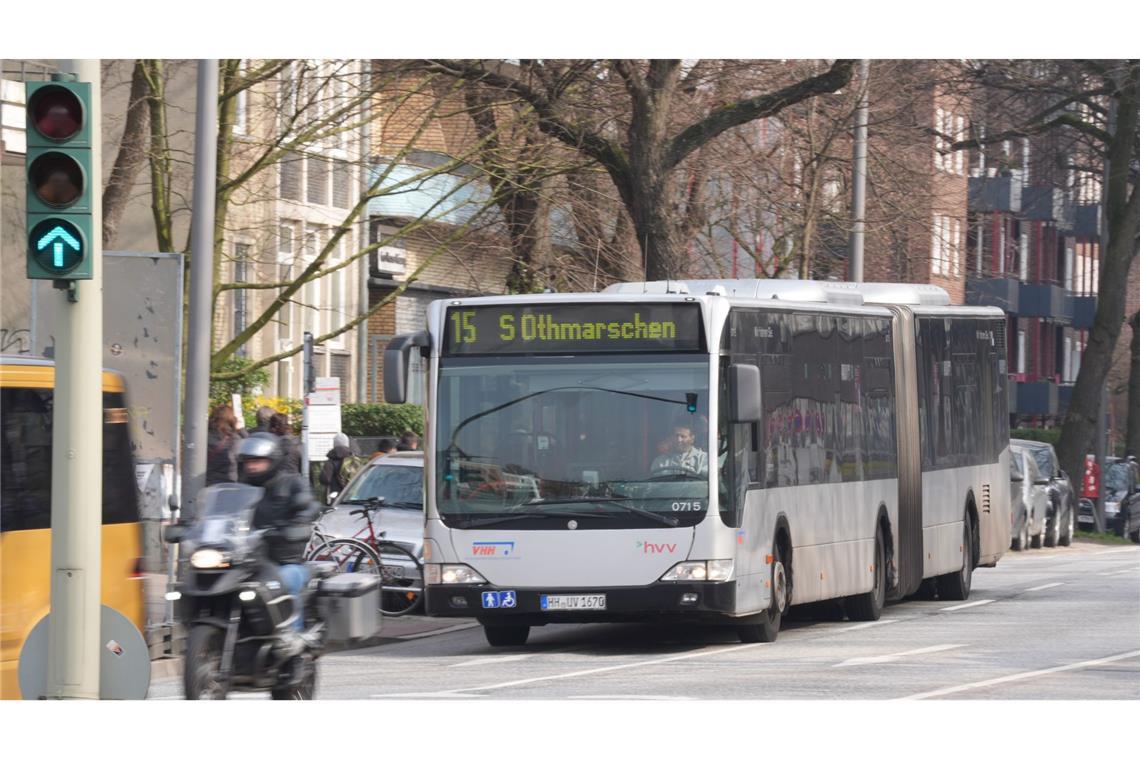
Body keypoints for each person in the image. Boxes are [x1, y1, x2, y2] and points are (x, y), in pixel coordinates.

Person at [236, 433, 320, 632]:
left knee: (285, 581)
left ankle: (292, 635)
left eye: (258, 461)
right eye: (248, 462)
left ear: (273, 460)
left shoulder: (293, 483)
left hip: (285, 558)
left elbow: (310, 506)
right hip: (250, 560)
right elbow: (223, 513)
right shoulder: (241, 488)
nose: (252, 466)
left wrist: (299, 523)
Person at [205, 404, 243, 486]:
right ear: (231, 419)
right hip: (228, 484)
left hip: (207, 483)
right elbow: (240, 460)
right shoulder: (234, 439)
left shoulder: (204, 437)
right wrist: (242, 430)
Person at [319, 432, 356, 498]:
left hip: (335, 494)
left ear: (334, 444)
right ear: (347, 444)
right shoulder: (353, 459)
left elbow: (325, 479)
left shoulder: (330, 462)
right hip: (352, 494)